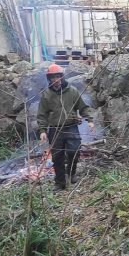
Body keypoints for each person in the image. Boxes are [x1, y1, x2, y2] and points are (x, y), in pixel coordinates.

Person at [37, 63, 94, 191]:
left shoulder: (72, 91)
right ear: (49, 79)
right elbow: (42, 114)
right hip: (54, 129)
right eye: (52, 77)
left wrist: (89, 120)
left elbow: (82, 106)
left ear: (62, 77)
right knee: (57, 157)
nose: (55, 80)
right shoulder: (46, 95)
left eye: (57, 77)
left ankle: (71, 173)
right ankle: (60, 182)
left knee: (74, 151)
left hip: (71, 126)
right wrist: (42, 130)